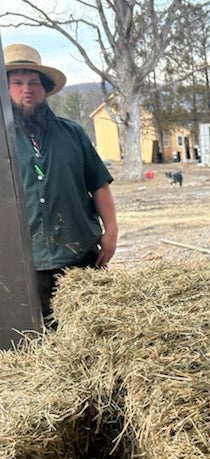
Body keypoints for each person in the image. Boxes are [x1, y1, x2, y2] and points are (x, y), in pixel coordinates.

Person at [4, 43, 118, 325]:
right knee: (40, 338)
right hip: (28, 263)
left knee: (94, 327)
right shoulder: (3, 143)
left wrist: (111, 231)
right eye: (17, 82)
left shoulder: (73, 133)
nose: (26, 89)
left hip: (81, 255)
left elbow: (99, 184)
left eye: (33, 82)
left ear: (45, 89)